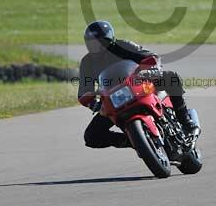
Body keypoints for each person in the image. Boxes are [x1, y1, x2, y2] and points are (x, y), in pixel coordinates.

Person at [78, 20, 192, 149]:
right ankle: (133, 141)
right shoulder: (87, 62)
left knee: (171, 77)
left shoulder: (123, 46)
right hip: (114, 100)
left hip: (139, 85)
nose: (94, 46)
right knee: (91, 136)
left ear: (109, 40)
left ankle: (185, 121)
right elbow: (83, 91)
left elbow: (152, 57)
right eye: (91, 43)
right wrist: (94, 103)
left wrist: (151, 70)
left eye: (99, 42)